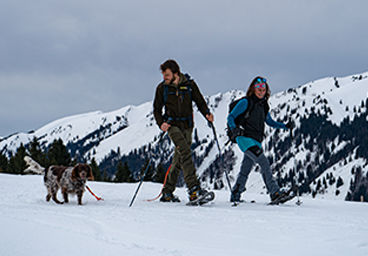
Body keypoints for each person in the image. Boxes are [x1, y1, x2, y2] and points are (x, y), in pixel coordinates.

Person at [153, 59, 214, 203]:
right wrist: (161, 123)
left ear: (176, 73)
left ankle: (167, 192)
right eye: (163, 75)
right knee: (185, 152)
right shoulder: (162, 88)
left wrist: (207, 113)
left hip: (187, 125)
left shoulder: (190, 85)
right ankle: (194, 189)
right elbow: (156, 109)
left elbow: (199, 101)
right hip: (172, 125)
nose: (164, 78)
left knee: (179, 160)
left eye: (167, 75)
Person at [227, 76, 293, 203]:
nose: (261, 91)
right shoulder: (246, 102)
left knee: (245, 169)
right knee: (264, 162)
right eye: (258, 89)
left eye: (263, 89)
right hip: (244, 139)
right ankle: (274, 192)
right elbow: (231, 117)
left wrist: (285, 126)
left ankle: (236, 193)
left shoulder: (263, 105)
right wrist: (234, 129)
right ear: (253, 89)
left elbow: (269, 122)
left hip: (256, 140)